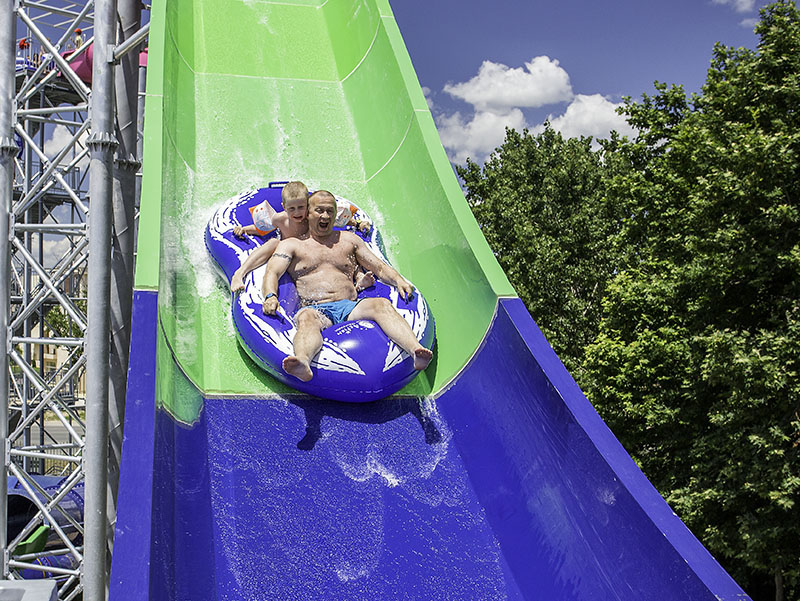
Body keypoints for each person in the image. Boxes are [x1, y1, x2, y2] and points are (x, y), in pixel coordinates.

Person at [262, 190, 433, 382]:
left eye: (330, 211)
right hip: (315, 308)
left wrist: (399, 280)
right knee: (307, 318)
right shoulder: (292, 245)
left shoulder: (349, 240)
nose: (325, 216)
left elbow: (378, 267)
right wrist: (270, 296)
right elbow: (272, 272)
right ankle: (302, 361)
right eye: (320, 211)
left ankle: (415, 350)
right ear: (308, 213)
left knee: (381, 304)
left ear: (336, 215)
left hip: (350, 306)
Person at [230, 182, 373, 292]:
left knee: (342, 246)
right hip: (289, 253)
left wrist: (358, 223)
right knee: (273, 242)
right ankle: (240, 273)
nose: (297, 212)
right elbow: (262, 228)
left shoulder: (312, 218)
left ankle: (359, 276)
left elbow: (337, 219)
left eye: (301, 207)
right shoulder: (280, 219)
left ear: (308, 206)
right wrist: (244, 229)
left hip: (311, 252)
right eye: (292, 208)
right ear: (284, 207)